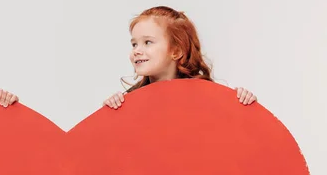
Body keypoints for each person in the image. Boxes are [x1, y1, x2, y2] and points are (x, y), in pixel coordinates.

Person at [103, 6, 257, 109]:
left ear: (176, 51)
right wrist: (112, 110)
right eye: (134, 44)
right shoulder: (131, 101)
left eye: (147, 42)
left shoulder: (204, 97)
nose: (137, 50)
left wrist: (243, 101)